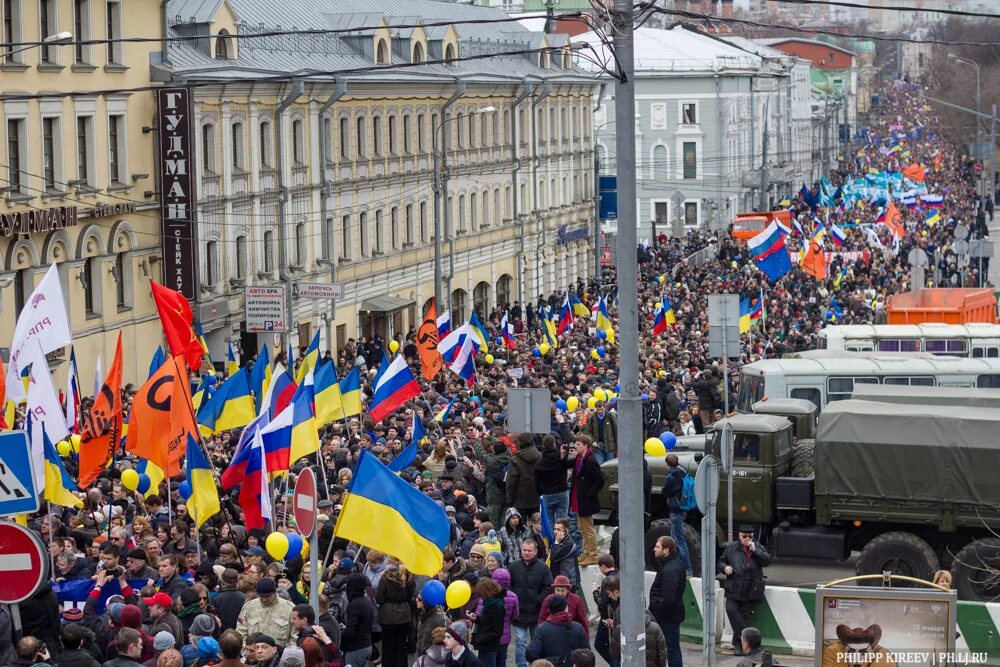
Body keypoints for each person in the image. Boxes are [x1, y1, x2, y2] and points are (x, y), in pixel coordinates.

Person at [718, 526, 771, 655]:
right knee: (731, 610)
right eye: (744, 536)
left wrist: (756, 550)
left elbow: (767, 561)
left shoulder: (758, 547)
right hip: (734, 587)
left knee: (744, 615)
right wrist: (725, 568)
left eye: (750, 536)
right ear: (739, 536)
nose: (747, 539)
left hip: (750, 589)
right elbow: (721, 562)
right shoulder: (731, 548)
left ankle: (738, 644)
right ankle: (750, 645)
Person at [508, 539, 553, 667]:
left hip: (537, 613)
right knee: (520, 642)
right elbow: (508, 586)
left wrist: (538, 599)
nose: (526, 553)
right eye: (524, 550)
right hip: (519, 613)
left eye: (529, 550)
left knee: (536, 642)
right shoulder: (514, 566)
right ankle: (521, 665)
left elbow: (548, 588)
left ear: (535, 551)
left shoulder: (543, 568)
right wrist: (514, 600)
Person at [565, 435, 603, 566]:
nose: (576, 446)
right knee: (581, 528)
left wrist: (591, 493)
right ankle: (585, 552)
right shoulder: (579, 458)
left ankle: (592, 554)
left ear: (586, 446)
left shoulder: (590, 460)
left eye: (579, 444)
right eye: (576, 444)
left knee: (588, 528)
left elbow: (600, 479)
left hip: (586, 498)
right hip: (578, 497)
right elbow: (566, 464)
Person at [648, 536, 686, 667]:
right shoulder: (671, 564)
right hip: (670, 615)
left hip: (667, 618)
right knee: (672, 648)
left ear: (666, 550)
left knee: (671, 650)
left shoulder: (670, 569)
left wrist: (656, 615)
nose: (654, 549)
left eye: (658, 547)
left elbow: (668, 598)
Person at [524, 596, 588, 665]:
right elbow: (586, 653)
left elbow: (531, 654)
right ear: (566, 608)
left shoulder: (542, 629)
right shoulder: (578, 627)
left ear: (550, 609)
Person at [375, 563, 415, 667]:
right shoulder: (409, 578)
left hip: (387, 616)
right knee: (402, 646)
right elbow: (410, 596)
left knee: (388, 646)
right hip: (404, 615)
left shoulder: (385, 578)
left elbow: (379, 598)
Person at [236, 578, 295, 648]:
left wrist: (284, 654)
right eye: (261, 596)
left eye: (267, 596)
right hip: (253, 655)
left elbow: (294, 636)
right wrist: (247, 652)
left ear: (274, 593)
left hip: (279, 656)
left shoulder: (289, 609)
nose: (264, 599)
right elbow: (241, 633)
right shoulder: (249, 607)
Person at [661, 453, 692, 573]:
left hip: (675, 510)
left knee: (678, 540)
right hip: (683, 508)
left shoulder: (672, 478)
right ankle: (676, 565)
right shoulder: (683, 472)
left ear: (668, 464)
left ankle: (688, 569)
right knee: (674, 538)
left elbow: (665, 492)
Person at [340, 573, 374, 667]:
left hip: (356, 649)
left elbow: (350, 630)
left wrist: (340, 636)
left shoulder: (355, 604)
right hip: (367, 645)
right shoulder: (366, 600)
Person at [468, 579, 504, 667]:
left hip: (489, 646)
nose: (481, 597)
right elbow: (487, 621)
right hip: (484, 645)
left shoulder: (497, 607)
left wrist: (481, 639)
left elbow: (498, 632)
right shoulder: (489, 604)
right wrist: (477, 618)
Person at [505, 433, 541, 521]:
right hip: (537, 497)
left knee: (521, 529)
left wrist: (509, 499)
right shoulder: (540, 456)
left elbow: (511, 482)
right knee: (538, 526)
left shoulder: (515, 460)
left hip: (520, 500)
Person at [547, 520, 580, 588]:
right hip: (558, 579)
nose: (555, 532)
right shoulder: (560, 540)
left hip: (568, 582)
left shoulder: (568, 544)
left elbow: (553, 557)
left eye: (558, 529)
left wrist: (556, 542)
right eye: (554, 529)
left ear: (566, 531)